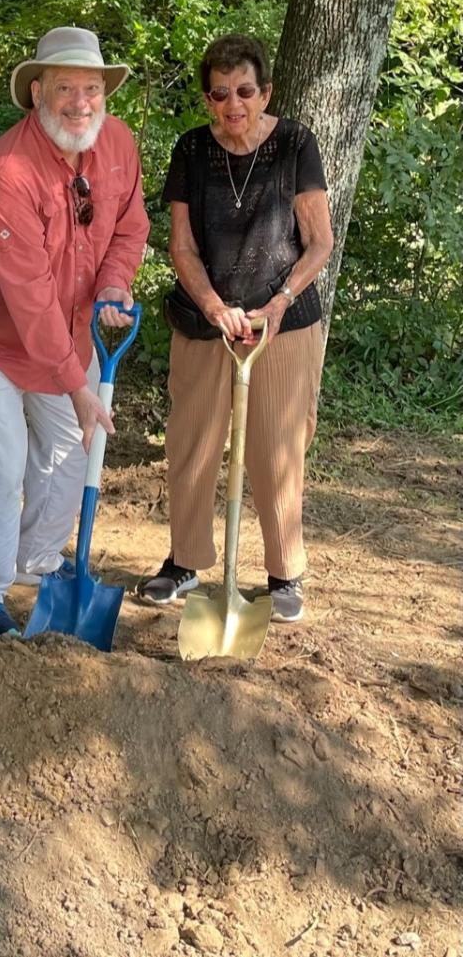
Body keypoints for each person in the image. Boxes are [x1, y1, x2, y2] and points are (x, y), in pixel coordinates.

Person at [0, 27, 149, 636]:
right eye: (65, 87)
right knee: (6, 465)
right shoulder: (5, 172)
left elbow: (129, 228)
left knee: (70, 454)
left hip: (69, 335)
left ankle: (34, 559)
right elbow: (29, 299)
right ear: (38, 91)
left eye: (92, 87)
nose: (80, 102)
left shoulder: (116, 144)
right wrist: (79, 386)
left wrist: (115, 284)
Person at [138, 33, 333, 623]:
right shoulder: (192, 150)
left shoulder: (296, 143)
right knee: (191, 443)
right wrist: (214, 305)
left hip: (284, 321)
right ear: (207, 99)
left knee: (277, 445)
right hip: (205, 321)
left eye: (245, 91)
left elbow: (319, 242)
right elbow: (182, 245)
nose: (233, 104)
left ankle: (283, 574)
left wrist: (276, 302)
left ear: (265, 91)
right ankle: (185, 561)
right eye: (220, 94)